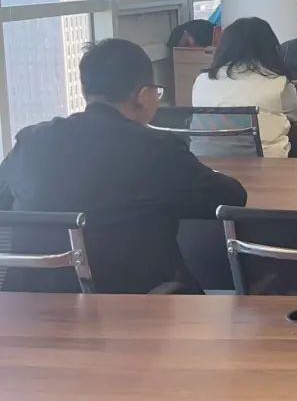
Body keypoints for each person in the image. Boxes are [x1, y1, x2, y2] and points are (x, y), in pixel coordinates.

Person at [0, 39, 247, 293]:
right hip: (134, 304)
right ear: (143, 95)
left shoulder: (32, 141)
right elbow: (232, 198)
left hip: (30, 304)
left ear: (85, 91)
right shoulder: (156, 149)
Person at [192, 17, 297, 158]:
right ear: (269, 48)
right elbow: (294, 115)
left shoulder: (202, 80)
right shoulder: (278, 81)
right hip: (264, 164)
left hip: (205, 161)